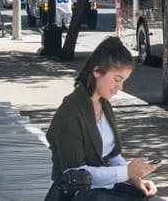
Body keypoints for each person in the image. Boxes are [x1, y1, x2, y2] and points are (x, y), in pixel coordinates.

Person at [46, 37, 161, 199]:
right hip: (76, 194)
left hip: (103, 189)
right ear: (96, 71)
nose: (119, 88)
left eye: (123, 81)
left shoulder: (103, 104)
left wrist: (135, 179)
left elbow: (112, 155)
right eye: (116, 79)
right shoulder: (69, 113)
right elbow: (74, 173)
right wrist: (127, 172)